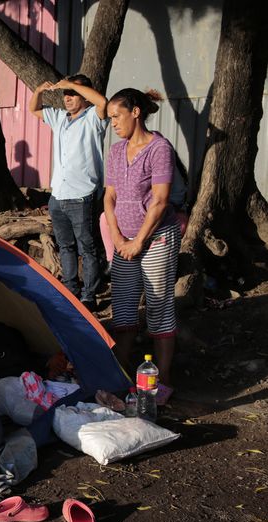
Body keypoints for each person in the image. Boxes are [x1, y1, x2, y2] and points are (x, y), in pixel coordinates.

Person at [104, 88, 180, 399]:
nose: (113, 124)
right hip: (124, 243)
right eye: (109, 119)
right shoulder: (116, 152)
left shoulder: (160, 148)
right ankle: (119, 372)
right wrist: (119, 237)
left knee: (159, 308)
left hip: (157, 239)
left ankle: (161, 383)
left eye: (116, 116)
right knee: (122, 310)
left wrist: (138, 242)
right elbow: (109, 198)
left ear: (135, 112)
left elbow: (160, 201)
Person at [30, 75, 109, 311]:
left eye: (72, 95)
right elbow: (34, 108)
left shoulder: (94, 118)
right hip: (58, 195)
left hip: (82, 195)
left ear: (84, 94)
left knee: (87, 247)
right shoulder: (59, 118)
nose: (67, 99)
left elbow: (103, 103)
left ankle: (89, 295)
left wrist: (73, 85)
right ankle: (71, 290)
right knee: (65, 246)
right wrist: (39, 90)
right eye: (65, 95)